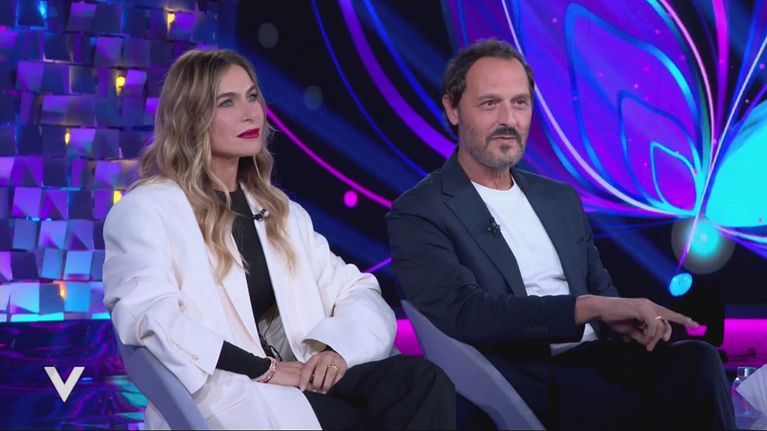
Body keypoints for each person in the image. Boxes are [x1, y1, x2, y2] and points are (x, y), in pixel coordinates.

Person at [386, 39, 734, 430]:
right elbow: (467, 313)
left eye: (520, 103)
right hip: (527, 379)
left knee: (698, 360)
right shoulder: (420, 210)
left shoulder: (558, 199)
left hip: (598, 360)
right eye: (490, 103)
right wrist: (589, 308)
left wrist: (629, 324)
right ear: (452, 108)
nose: (508, 119)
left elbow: (604, 295)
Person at [102, 49, 455, 430]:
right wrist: (264, 369)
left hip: (300, 376)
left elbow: (357, 289)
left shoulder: (279, 211)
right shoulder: (147, 209)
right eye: (227, 102)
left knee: (420, 383)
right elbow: (148, 317)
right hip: (229, 393)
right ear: (191, 117)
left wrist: (336, 351)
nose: (250, 113)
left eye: (252, 96)